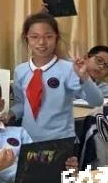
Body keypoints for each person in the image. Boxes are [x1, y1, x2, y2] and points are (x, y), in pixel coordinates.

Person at [9, 13, 102, 142]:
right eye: (34, 37)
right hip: (28, 140)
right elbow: (22, 104)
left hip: (61, 141)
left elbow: (97, 101)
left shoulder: (68, 69)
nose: (41, 42)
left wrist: (85, 77)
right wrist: (10, 114)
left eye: (48, 36)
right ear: (26, 38)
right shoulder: (20, 70)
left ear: (56, 38)